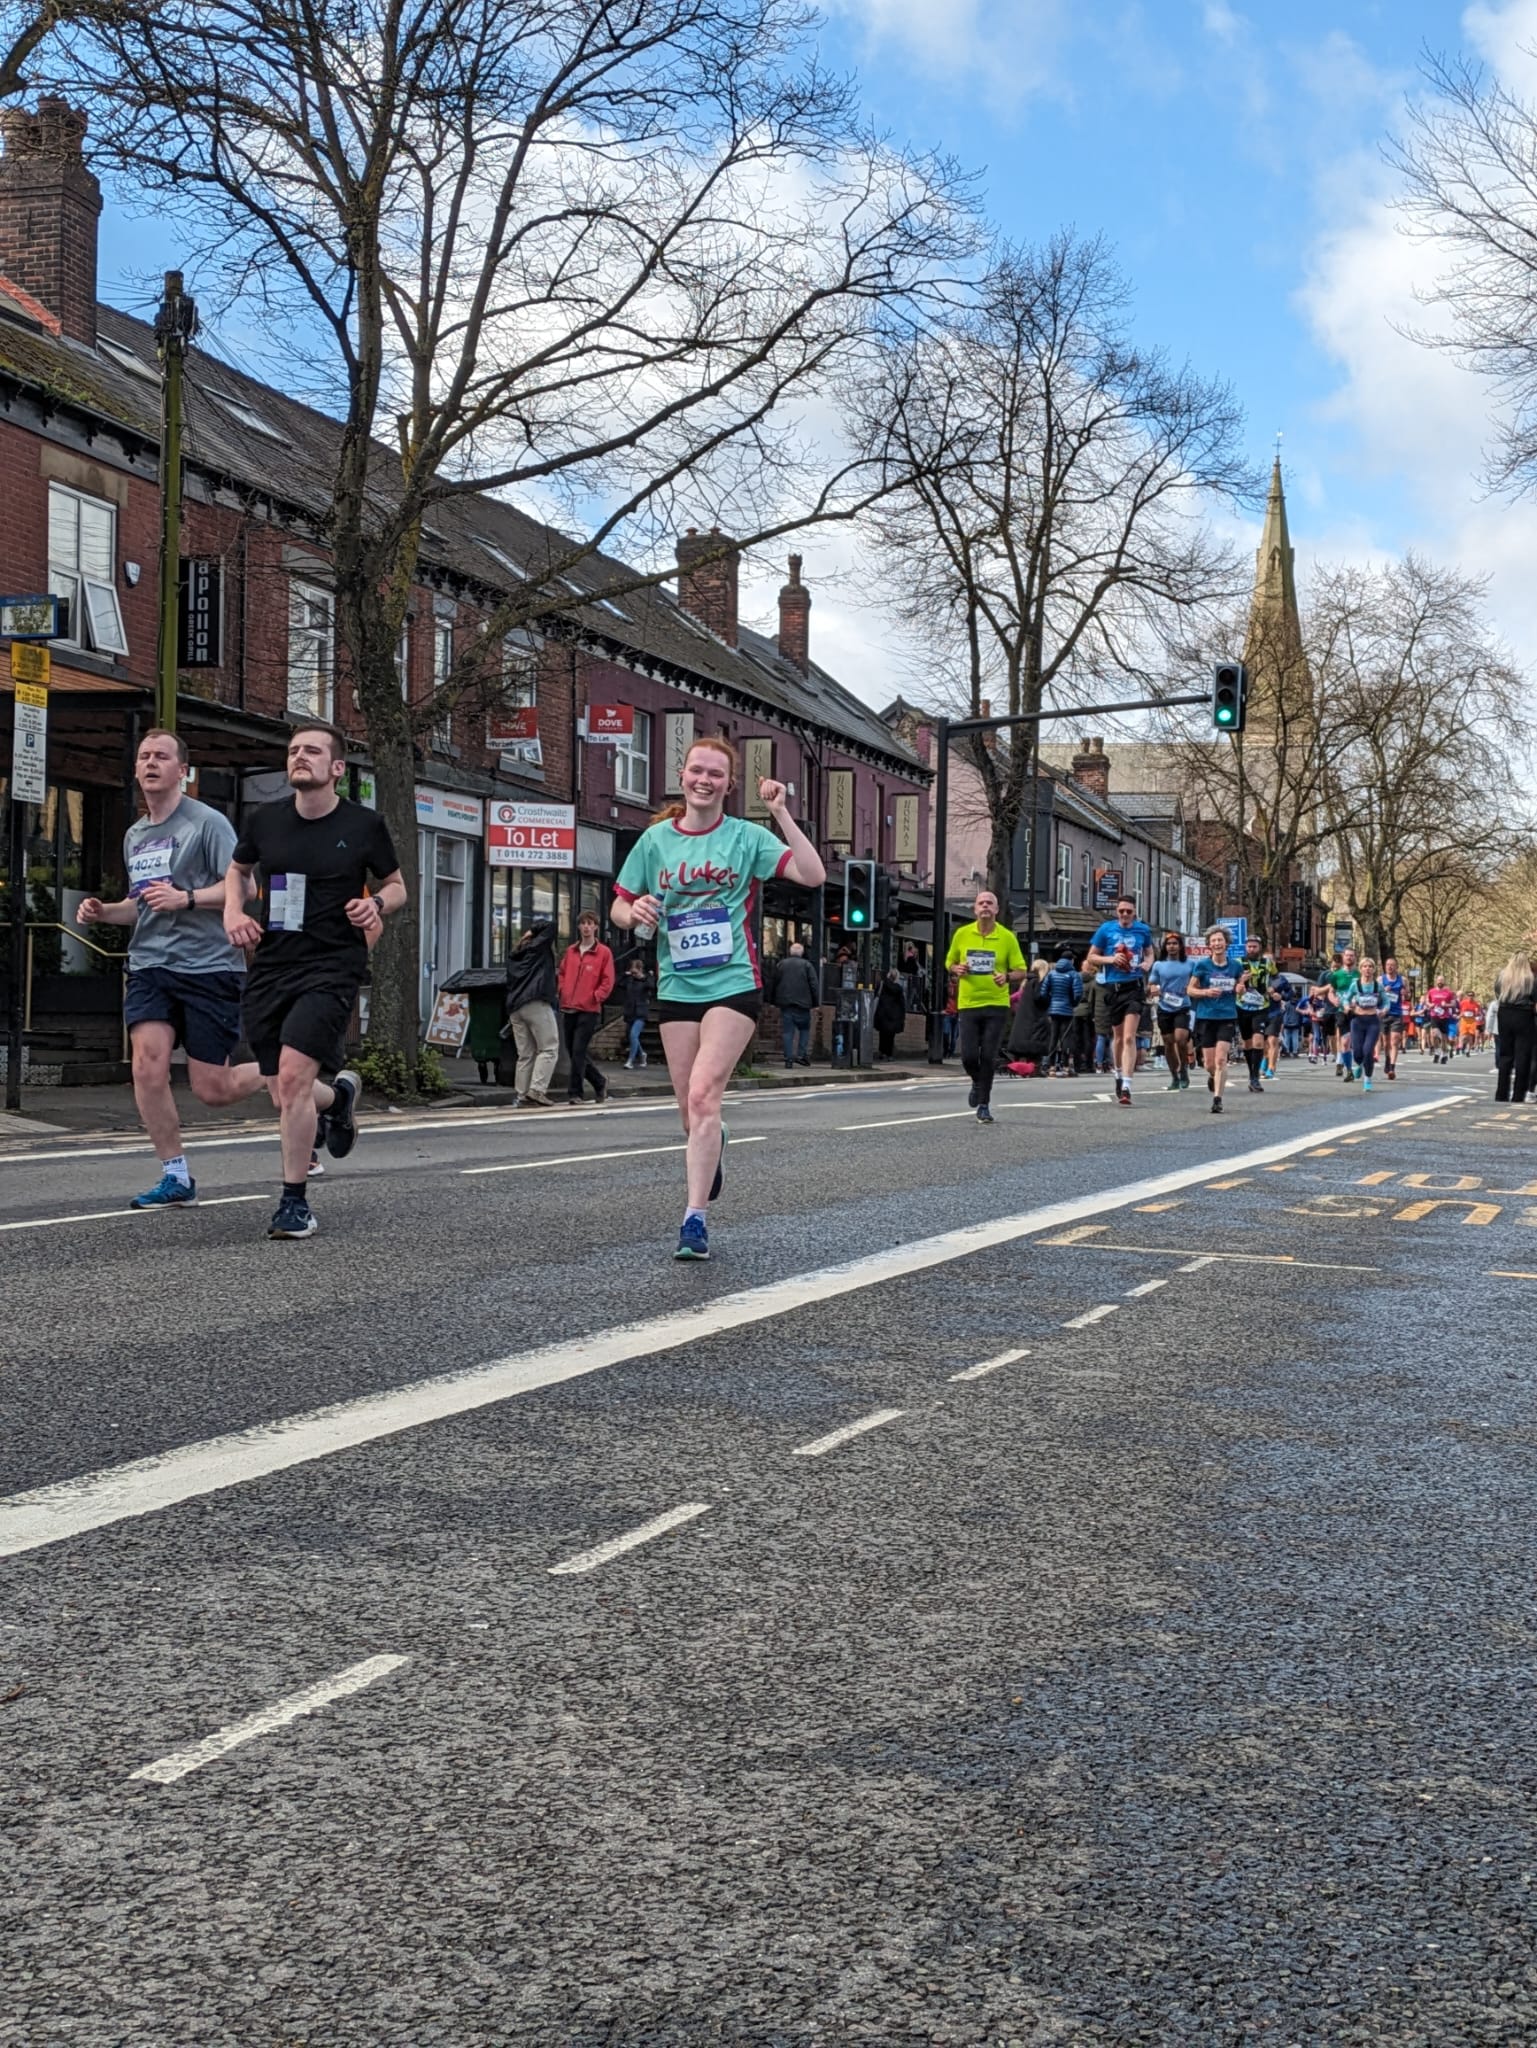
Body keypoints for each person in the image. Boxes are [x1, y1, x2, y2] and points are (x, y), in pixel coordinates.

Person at [76, 728, 327, 1207]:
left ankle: (322, 1095)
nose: (151, 763)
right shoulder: (136, 834)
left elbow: (244, 890)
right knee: (147, 1066)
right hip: (151, 964)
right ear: (135, 770)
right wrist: (105, 912)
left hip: (209, 967)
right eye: (144, 757)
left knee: (213, 1089)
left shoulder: (208, 824)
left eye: (162, 757)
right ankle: (176, 1176)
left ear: (182, 771)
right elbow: (145, 905)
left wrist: (186, 898)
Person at [611, 735, 824, 1259]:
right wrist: (634, 911)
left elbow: (813, 875)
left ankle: (694, 1220)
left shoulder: (747, 838)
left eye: (715, 774)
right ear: (682, 777)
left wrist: (780, 814)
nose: (704, 780)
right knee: (689, 1111)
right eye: (696, 771)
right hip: (677, 986)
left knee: (705, 1095)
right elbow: (618, 906)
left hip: (733, 983)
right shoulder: (656, 840)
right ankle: (713, 1143)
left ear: (730, 785)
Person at [224, 721, 404, 1240]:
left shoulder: (364, 825)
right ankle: (339, 1101)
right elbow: (238, 871)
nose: (300, 757)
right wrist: (234, 912)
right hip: (274, 963)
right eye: (294, 751)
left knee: (295, 1076)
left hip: (332, 966)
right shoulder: (265, 821)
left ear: (337, 769)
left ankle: (293, 1202)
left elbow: (396, 888)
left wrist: (373, 904)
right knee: (282, 1087)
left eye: (312, 751)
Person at [945, 888, 1027, 1125]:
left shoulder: (1007, 937)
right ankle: (977, 1081)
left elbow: (1021, 970)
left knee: (989, 1056)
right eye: (981, 903)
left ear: (997, 909)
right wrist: (955, 969)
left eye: (990, 903)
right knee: (969, 1056)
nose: (985, 907)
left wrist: (1007, 977)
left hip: (996, 1003)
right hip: (969, 1002)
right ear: (975, 908)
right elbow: (950, 961)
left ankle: (983, 1104)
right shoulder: (962, 934)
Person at [1084, 894, 1155, 1105]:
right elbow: (1091, 957)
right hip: (1112, 988)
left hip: (1133, 986)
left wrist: (1147, 964)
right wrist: (1111, 959)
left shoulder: (1143, 930)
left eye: (1129, 911)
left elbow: (1150, 953)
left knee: (1129, 1037)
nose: (1125, 914)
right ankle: (1117, 1072)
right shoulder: (1106, 929)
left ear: (1135, 912)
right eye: (1121, 911)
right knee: (1117, 1037)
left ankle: (1126, 1086)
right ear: (1117, 912)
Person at [557, 910, 615, 1105]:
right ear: (579, 927)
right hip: (569, 1007)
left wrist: (596, 996)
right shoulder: (571, 951)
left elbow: (608, 980)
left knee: (578, 1050)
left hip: (589, 1010)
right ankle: (599, 1082)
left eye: (591, 923)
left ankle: (575, 1092)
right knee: (573, 1051)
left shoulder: (603, 952)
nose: (587, 927)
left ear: (596, 927)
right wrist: (562, 989)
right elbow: (563, 972)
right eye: (583, 923)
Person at [1188, 924, 1247, 1113]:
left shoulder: (1235, 966)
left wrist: (1241, 989)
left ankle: (1217, 1100)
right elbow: (1190, 989)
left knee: (1221, 1060)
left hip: (1227, 1016)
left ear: (1226, 943)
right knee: (1209, 1064)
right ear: (1209, 945)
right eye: (1213, 941)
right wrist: (1205, 992)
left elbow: (1241, 990)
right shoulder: (1202, 966)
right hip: (1206, 1016)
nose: (1217, 943)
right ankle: (1213, 1076)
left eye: (1220, 940)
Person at [502, 916, 559, 1106]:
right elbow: (551, 925)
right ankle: (537, 1090)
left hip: (515, 1007)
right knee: (549, 1047)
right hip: (535, 1001)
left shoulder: (514, 956)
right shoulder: (537, 949)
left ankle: (521, 1094)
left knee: (525, 1053)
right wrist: (534, 930)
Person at [1147, 932, 1193, 1091]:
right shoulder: (1159, 965)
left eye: (1175, 943)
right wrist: (1153, 989)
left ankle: (1184, 1070)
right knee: (1168, 1042)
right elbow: (1151, 984)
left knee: (1181, 1039)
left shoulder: (1190, 964)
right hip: (1165, 1007)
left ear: (1180, 946)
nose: (1172, 946)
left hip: (1183, 1006)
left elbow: (1197, 982)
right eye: (1168, 944)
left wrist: (1193, 988)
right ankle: (1174, 1075)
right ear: (1165, 947)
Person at [1492, 953, 1537, 1103]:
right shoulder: (1530, 979)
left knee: (1505, 1055)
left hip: (1504, 1012)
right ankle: (1518, 1094)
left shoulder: (1502, 976)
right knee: (1522, 1057)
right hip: (1524, 1015)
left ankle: (1501, 1093)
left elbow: (1497, 992)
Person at [1234, 937, 1274, 1094]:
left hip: (1261, 1006)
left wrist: (1272, 988)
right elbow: (1230, 980)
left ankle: (1255, 1077)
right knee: (1247, 1043)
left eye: (1254, 947)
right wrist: (1240, 981)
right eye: (1249, 946)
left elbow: (1277, 977)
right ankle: (1252, 1073)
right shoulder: (1237, 963)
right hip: (1242, 1006)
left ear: (1260, 948)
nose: (1251, 949)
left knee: (1258, 1041)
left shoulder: (1268, 963)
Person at [772, 940, 820, 1068]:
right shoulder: (807, 965)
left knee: (788, 1032)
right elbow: (814, 985)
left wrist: (773, 1000)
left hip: (786, 1003)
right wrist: (816, 1002)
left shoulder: (781, 964)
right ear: (802, 953)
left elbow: (774, 982)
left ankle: (788, 1059)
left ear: (790, 952)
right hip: (803, 1004)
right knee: (804, 1029)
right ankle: (801, 1055)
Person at [1343, 955, 1385, 1091]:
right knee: (1357, 1051)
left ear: (1373, 970)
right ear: (1360, 969)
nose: (1368, 969)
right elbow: (1346, 998)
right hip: (1357, 1020)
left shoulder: (1378, 986)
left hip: (1372, 1021)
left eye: (1370, 967)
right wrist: (1346, 1006)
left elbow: (1386, 1001)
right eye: (1365, 966)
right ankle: (1359, 1064)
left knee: (1368, 1051)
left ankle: (1367, 1078)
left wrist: (1384, 1009)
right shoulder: (1355, 985)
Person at [1040, 953, 1083, 1077]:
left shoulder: (1051, 973)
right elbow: (1078, 993)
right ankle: (1065, 1067)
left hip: (1053, 1009)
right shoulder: (1073, 974)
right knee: (1066, 1038)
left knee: (1053, 1037)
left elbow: (1043, 992)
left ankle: (1051, 1067)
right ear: (1071, 960)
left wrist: (1051, 1001)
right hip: (1067, 1009)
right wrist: (1073, 1003)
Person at [621, 956, 653, 1069]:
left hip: (641, 1012)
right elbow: (618, 984)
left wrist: (642, 977)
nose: (633, 973)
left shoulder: (646, 979)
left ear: (640, 969)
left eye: (635, 971)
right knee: (632, 1037)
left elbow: (651, 986)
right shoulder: (629, 980)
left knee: (634, 1034)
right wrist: (626, 974)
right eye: (632, 971)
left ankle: (630, 1061)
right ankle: (642, 1053)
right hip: (630, 1011)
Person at [1381, 957, 1407, 1078]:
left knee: (1395, 1040)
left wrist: (1405, 993)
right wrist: (1383, 990)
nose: (1390, 967)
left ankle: (1392, 1067)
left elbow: (1408, 995)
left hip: (1397, 1014)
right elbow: (1375, 994)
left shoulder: (1403, 980)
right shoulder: (1380, 979)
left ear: (1396, 967)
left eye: (1392, 965)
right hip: (1384, 1013)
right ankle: (1387, 1059)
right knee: (1386, 1043)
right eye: (1388, 965)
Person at [873, 971, 907, 1059]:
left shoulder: (882, 985)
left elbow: (876, 996)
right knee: (890, 1036)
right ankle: (889, 1054)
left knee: (882, 1034)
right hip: (894, 1016)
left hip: (883, 1014)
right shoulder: (899, 989)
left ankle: (882, 1052)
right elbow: (902, 1004)